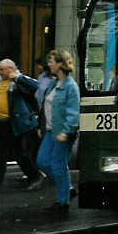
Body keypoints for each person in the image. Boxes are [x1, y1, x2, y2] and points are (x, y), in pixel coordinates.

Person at [36, 49, 80, 216]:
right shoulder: (54, 83)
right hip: (49, 130)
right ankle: (67, 188)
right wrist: (41, 126)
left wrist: (67, 132)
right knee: (42, 161)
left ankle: (63, 202)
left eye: (52, 61)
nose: (49, 64)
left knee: (58, 165)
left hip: (62, 133)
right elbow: (45, 107)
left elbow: (73, 112)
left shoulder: (71, 87)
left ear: (61, 64)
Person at [0, 59, 43, 190]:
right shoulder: (0, 82)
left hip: (14, 123)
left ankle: (35, 176)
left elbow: (36, 86)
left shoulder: (18, 80)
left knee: (20, 154)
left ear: (10, 69)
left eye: (2, 69)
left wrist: (17, 77)